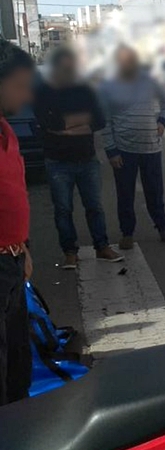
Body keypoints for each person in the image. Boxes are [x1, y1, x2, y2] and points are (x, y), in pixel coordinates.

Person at [34, 47, 123, 270]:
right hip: (57, 162)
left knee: (95, 206)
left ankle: (102, 247)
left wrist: (66, 126)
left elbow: (99, 121)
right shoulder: (43, 92)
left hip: (87, 159)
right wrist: (79, 123)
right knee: (63, 209)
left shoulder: (85, 90)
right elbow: (50, 125)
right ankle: (70, 253)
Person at [100, 45, 165, 249]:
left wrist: (162, 120)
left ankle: (163, 228)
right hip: (124, 150)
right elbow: (105, 120)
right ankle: (127, 233)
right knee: (125, 194)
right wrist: (111, 150)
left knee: (155, 192)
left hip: (151, 148)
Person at [0, 42, 35, 405]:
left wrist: (21, 249)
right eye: (20, 85)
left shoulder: (6, 129)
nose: (27, 96)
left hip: (10, 262)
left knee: (17, 362)